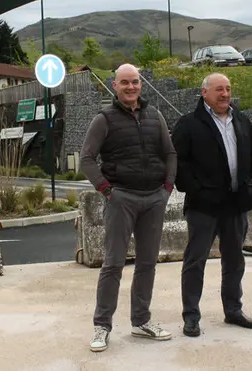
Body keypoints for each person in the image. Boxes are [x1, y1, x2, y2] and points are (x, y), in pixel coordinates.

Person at [79, 63, 177, 352]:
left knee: (147, 263)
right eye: (125, 83)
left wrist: (167, 188)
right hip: (121, 198)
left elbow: (170, 152)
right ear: (115, 85)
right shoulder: (104, 119)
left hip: (154, 199)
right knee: (113, 264)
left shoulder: (154, 115)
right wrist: (107, 191)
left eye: (135, 82)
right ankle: (102, 326)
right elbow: (87, 158)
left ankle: (141, 320)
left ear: (140, 84)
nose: (131, 87)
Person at [170, 72, 252, 337]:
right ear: (204, 93)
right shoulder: (189, 124)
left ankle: (233, 310)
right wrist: (198, 190)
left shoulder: (242, 121)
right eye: (219, 89)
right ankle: (191, 316)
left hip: (236, 205)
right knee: (195, 261)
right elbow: (179, 163)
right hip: (203, 207)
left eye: (228, 89)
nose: (225, 94)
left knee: (235, 261)